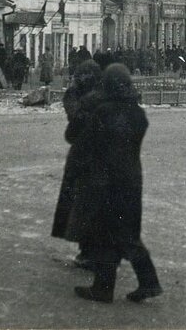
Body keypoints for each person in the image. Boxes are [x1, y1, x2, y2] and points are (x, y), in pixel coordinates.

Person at [67, 63, 162, 304]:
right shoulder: (138, 114)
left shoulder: (103, 112)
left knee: (102, 234)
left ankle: (104, 288)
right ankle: (146, 282)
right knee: (127, 234)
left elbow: (81, 141)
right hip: (130, 179)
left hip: (104, 181)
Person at [52, 59, 104, 270]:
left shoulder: (83, 100)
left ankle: (89, 253)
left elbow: (72, 130)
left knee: (82, 206)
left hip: (84, 161)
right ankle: (96, 252)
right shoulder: (105, 95)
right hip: (102, 161)